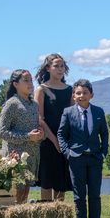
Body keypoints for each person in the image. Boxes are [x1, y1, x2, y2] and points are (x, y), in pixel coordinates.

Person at [58, 79, 109, 218]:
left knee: (94, 193)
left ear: (91, 95)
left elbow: (105, 134)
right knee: (79, 194)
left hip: (95, 158)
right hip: (76, 158)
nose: (81, 96)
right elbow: (61, 134)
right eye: (78, 93)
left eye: (85, 93)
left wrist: (103, 152)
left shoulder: (99, 112)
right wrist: (67, 153)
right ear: (73, 96)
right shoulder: (68, 112)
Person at [0, 69, 44, 203]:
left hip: (31, 156)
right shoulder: (11, 104)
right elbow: (2, 132)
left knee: (24, 197)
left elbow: (34, 128)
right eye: (26, 80)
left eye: (31, 80)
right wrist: (27, 136)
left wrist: (41, 133)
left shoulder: (34, 105)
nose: (30, 83)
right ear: (15, 84)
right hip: (15, 158)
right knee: (15, 198)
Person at [34, 53, 73, 201]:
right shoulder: (41, 89)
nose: (60, 69)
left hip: (65, 140)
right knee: (47, 181)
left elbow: (72, 116)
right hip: (47, 141)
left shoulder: (70, 90)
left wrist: (63, 141)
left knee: (61, 181)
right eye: (56, 66)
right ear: (48, 68)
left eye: (62, 66)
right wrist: (55, 141)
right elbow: (39, 118)